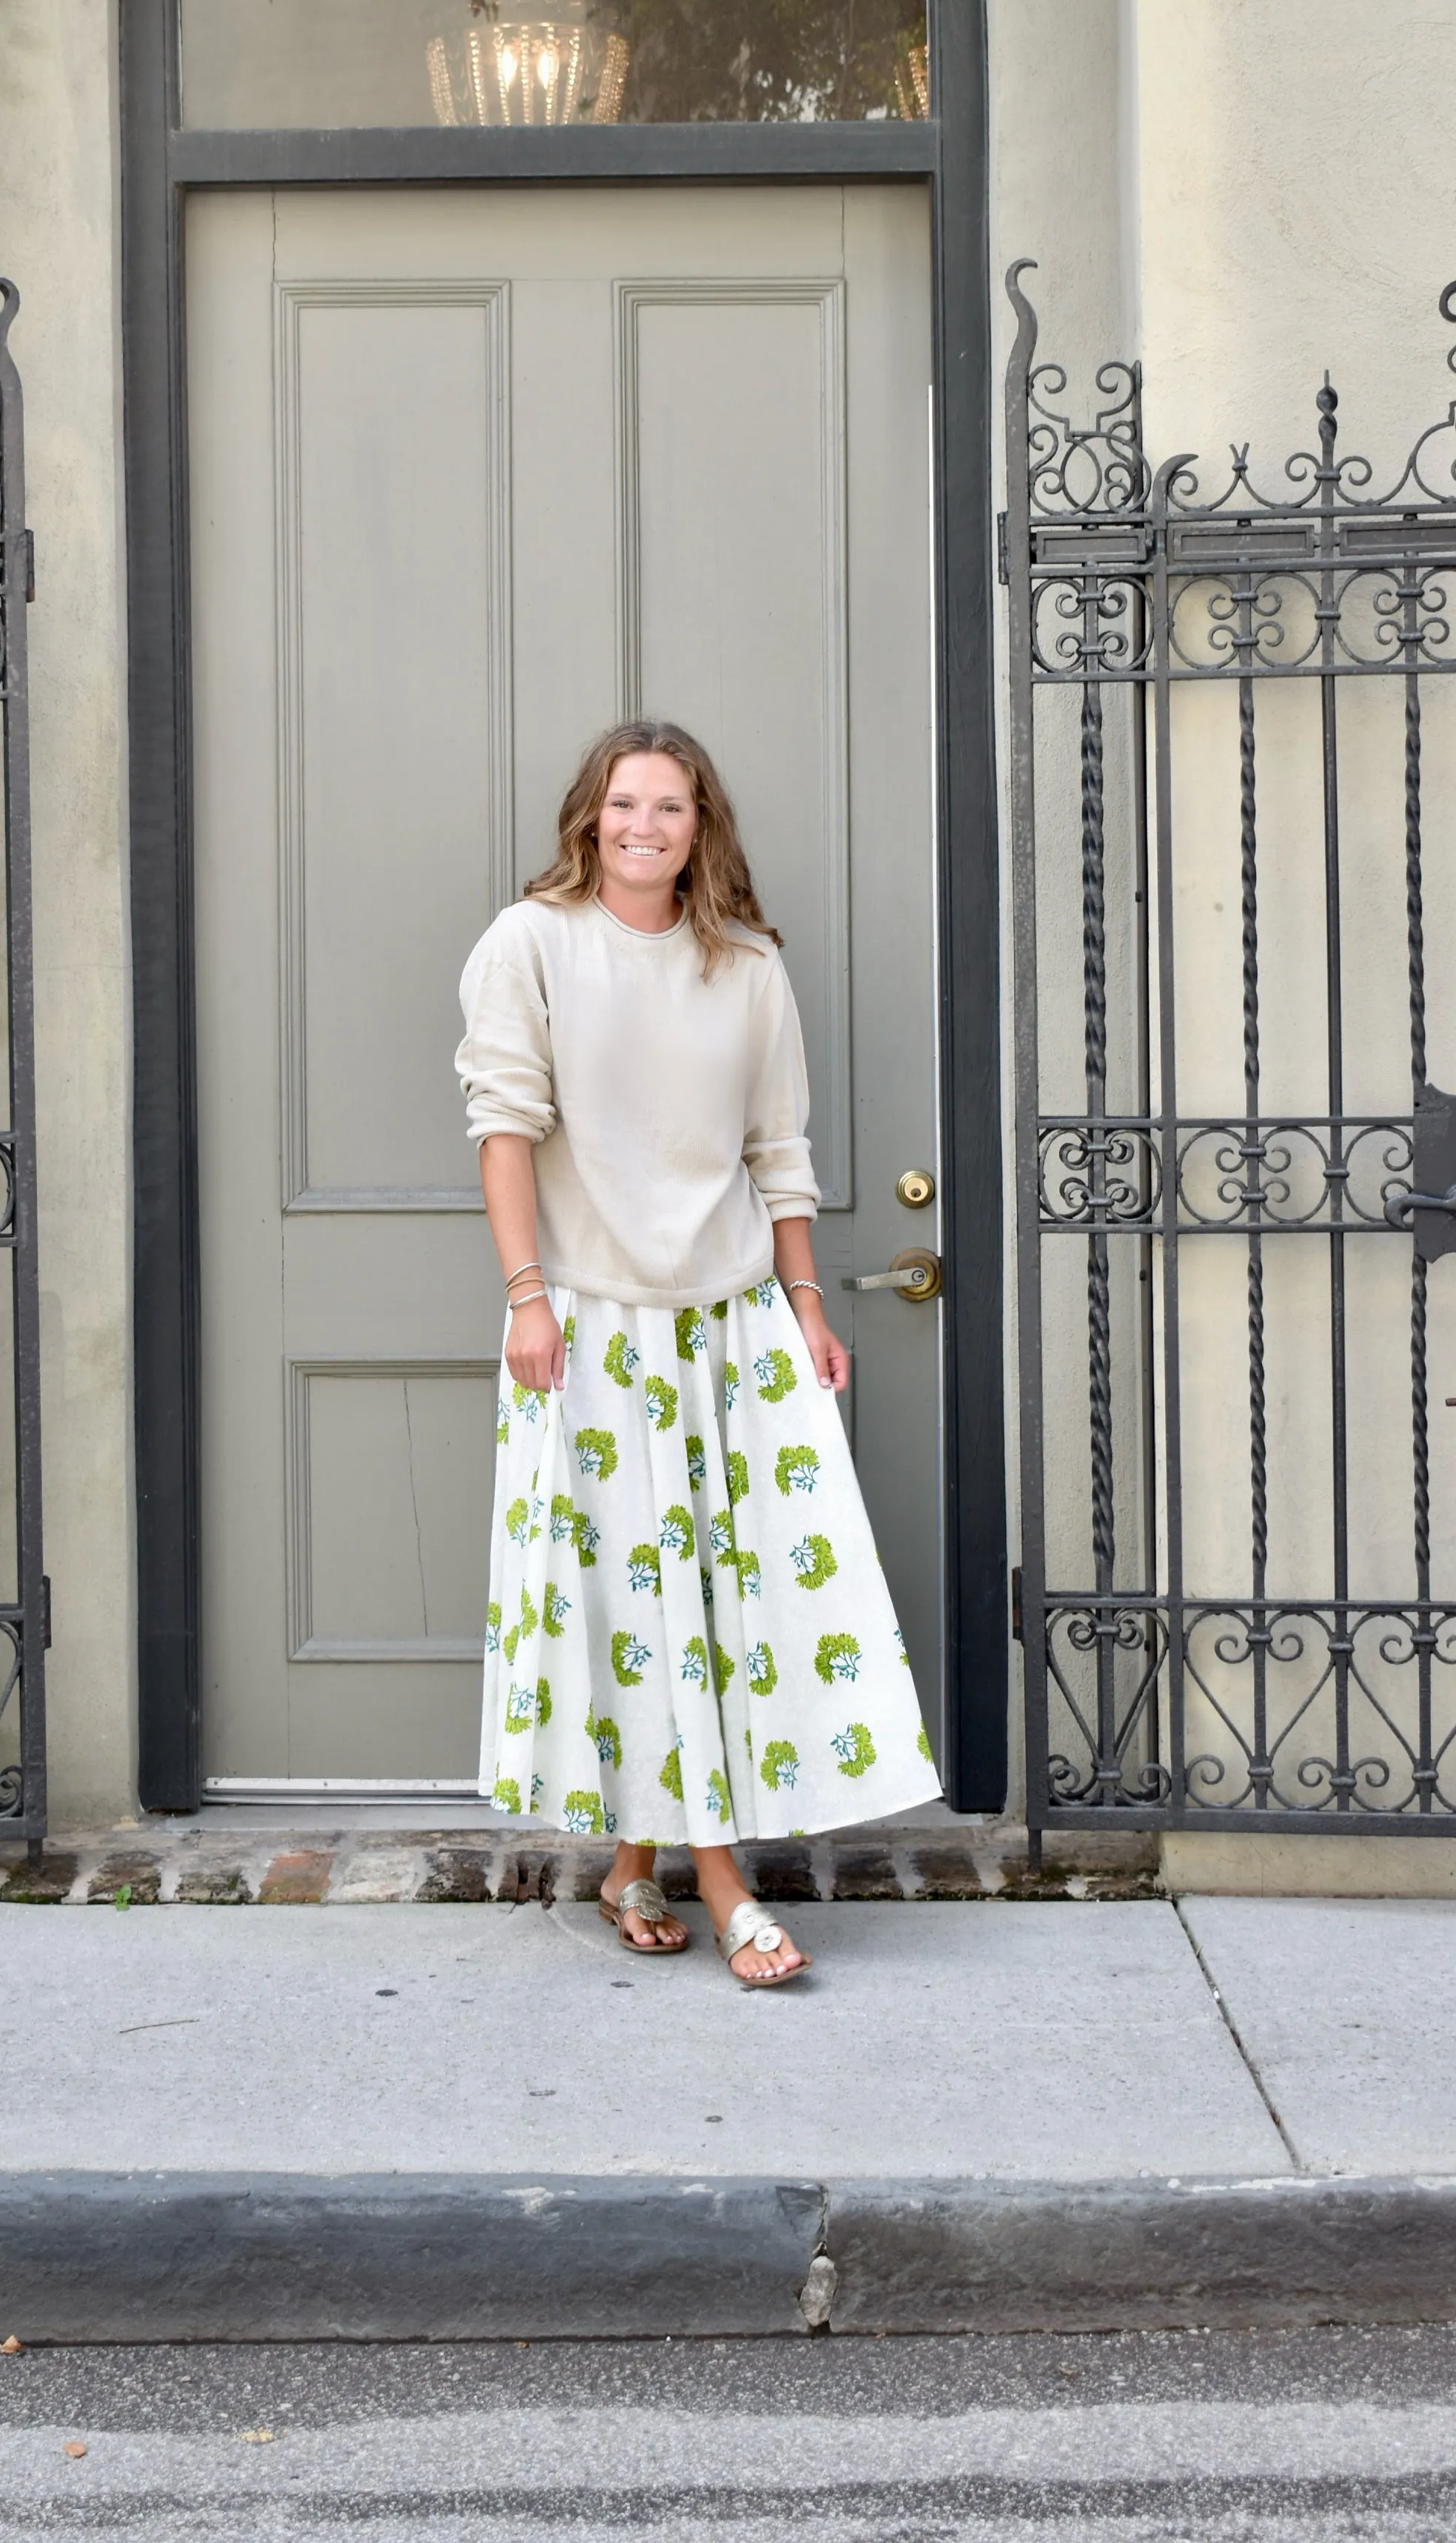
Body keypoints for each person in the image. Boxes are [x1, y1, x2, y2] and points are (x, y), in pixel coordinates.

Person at [456, 720, 940, 1987]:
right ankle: (725, 1886)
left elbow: (780, 1154)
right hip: (592, 1330)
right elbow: (504, 1128)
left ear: (700, 824)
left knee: (722, 1610)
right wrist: (526, 1296)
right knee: (636, 1610)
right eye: (624, 805)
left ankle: (636, 1866)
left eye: (669, 807)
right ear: (589, 817)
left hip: (731, 1327)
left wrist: (810, 1308)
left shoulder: (748, 969)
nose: (644, 827)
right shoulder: (533, 945)